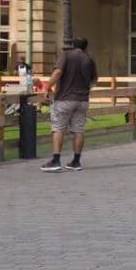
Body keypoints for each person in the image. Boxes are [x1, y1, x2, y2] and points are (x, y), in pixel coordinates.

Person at [40, 38, 98, 172]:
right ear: (85, 47)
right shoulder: (89, 60)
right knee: (79, 130)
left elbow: (58, 72)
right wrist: (85, 88)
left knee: (58, 128)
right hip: (83, 100)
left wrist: (48, 87)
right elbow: (95, 80)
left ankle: (55, 160)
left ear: (72, 45)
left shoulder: (66, 55)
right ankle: (76, 161)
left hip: (65, 99)